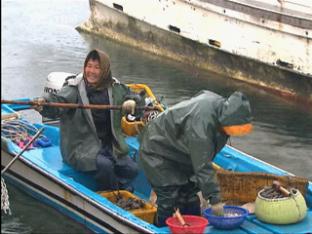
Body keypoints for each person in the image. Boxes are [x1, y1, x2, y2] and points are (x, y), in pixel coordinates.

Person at [138, 90, 253, 227]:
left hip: (181, 150)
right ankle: (160, 228)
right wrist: (215, 200)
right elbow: (202, 165)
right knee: (169, 197)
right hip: (156, 148)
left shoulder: (220, 108)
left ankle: (194, 227)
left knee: (190, 194)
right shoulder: (202, 125)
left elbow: (201, 94)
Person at [34, 49, 138, 191]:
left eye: (97, 67)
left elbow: (136, 98)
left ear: (105, 70)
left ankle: (116, 185)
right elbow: (56, 102)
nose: (91, 71)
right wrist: (42, 103)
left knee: (131, 168)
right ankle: (112, 195)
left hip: (109, 145)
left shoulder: (115, 88)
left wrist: (133, 102)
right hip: (81, 146)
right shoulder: (74, 89)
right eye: (89, 66)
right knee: (105, 166)